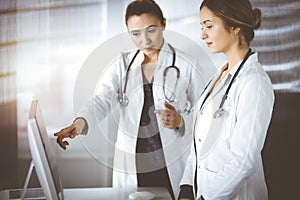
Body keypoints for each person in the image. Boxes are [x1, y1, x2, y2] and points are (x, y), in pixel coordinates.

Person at [54, 0, 209, 199]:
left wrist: (181, 121)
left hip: (172, 164)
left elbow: (206, 115)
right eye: (136, 34)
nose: (145, 40)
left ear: (164, 24)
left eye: (151, 30)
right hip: (134, 166)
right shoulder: (123, 64)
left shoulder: (187, 64)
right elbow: (101, 100)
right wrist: (79, 123)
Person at [178, 0, 275, 199]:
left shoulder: (254, 82)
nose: (202, 34)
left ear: (235, 26)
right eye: (202, 27)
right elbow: (199, 143)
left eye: (209, 26)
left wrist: (206, 197)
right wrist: (187, 188)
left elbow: (244, 160)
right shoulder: (219, 78)